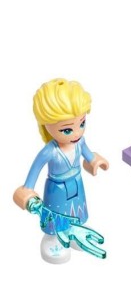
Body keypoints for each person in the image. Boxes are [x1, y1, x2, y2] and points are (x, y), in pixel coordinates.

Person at [13, 78, 109, 264]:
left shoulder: (80, 142)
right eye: (67, 130)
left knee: (77, 212)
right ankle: (53, 238)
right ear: (46, 125)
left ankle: (75, 232)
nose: (77, 133)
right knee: (55, 216)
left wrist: (95, 161)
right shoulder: (49, 151)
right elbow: (34, 171)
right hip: (56, 189)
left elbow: (89, 155)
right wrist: (27, 191)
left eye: (82, 123)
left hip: (77, 183)